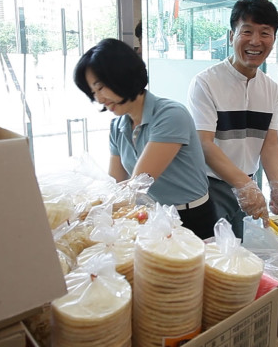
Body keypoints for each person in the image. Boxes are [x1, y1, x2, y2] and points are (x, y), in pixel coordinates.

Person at [74, 38, 218, 239]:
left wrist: (91, 207)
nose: (98, 98)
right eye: (93, 92)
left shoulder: (170, 115)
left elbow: (139, 183)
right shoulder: (118, 126)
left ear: (122, 76)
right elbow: (115, 184)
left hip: (190, 218)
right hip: (151, 217)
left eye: (101, 87)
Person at [187, 0, 278, 239]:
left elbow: (270, 144)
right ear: (231, 36)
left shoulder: (271, 89)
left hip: (249, 183)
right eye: (247, 31)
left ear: (273, 39)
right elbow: (204, 143)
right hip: (210, 186)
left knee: (241, 251)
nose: (255, 41)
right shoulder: (205, 82)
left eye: (265, 33)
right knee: (216, 252)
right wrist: (243, 185)